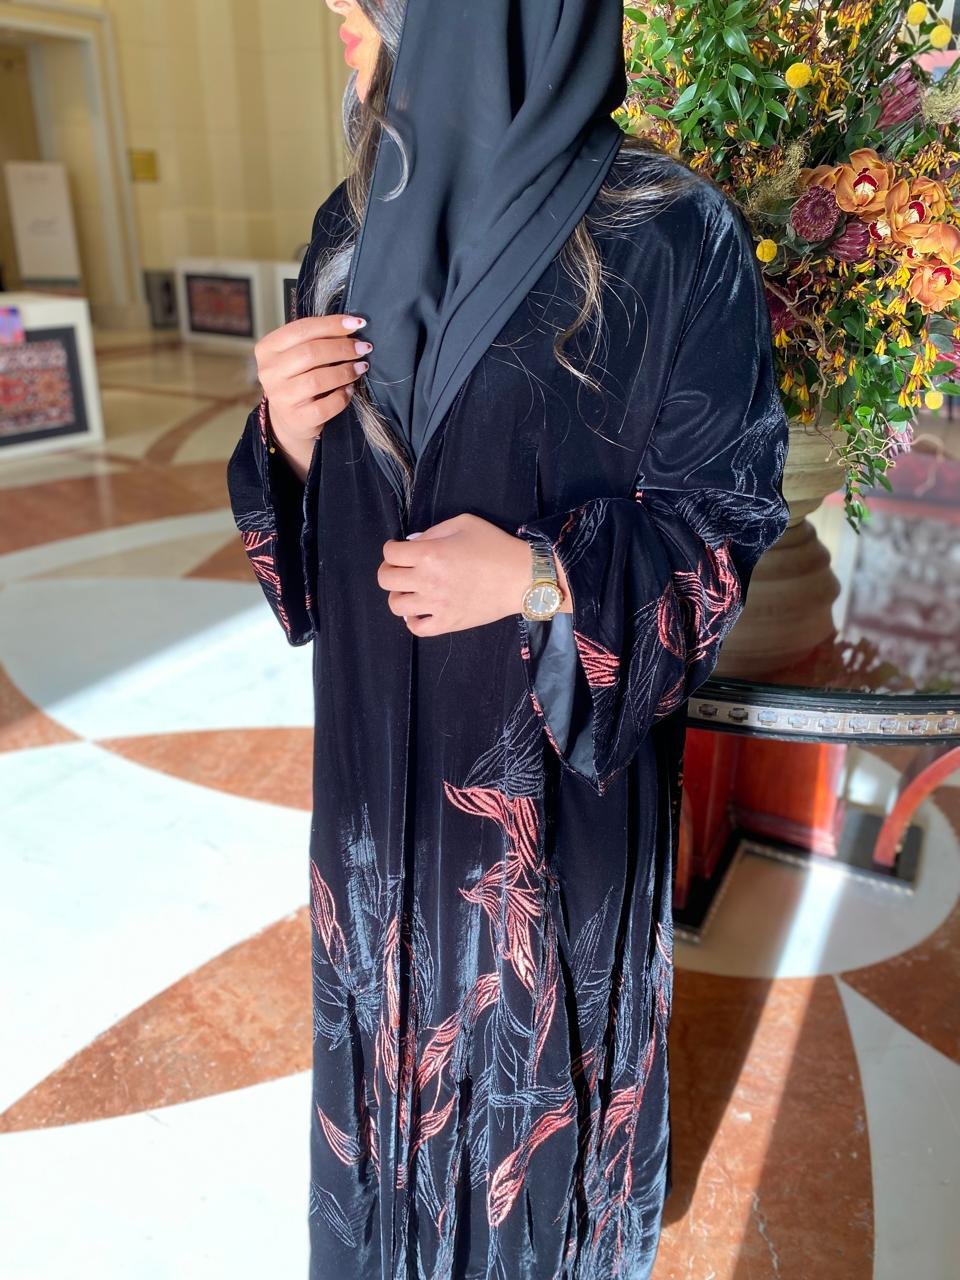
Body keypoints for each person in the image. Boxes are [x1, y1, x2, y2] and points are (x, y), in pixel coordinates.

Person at [226, 1, 790, 1276]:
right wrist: (288, 440)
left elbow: (721, 526)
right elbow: (317, 546)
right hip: (374, 796)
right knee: (386, 1061)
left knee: (531, 1114)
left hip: (543, 813)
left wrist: (541, 576)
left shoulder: (670, 235)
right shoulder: (352, 224)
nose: (342, 11)